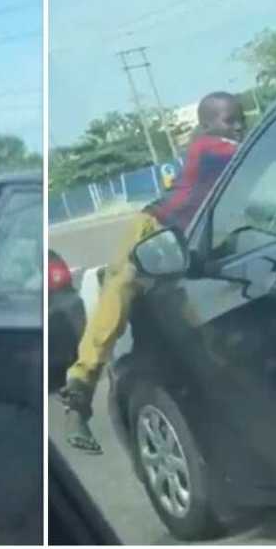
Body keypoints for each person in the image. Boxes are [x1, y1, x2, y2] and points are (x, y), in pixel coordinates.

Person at [60, 91, 245, 454]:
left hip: (187, 241)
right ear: (207, 125)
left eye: (241, 119)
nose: (238, 127)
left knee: (195, 321)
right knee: (123, 286)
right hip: (155, 229)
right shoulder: (210, 148)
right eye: (229, 120)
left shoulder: (224, 155)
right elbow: (255, 153)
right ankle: (79, 389)